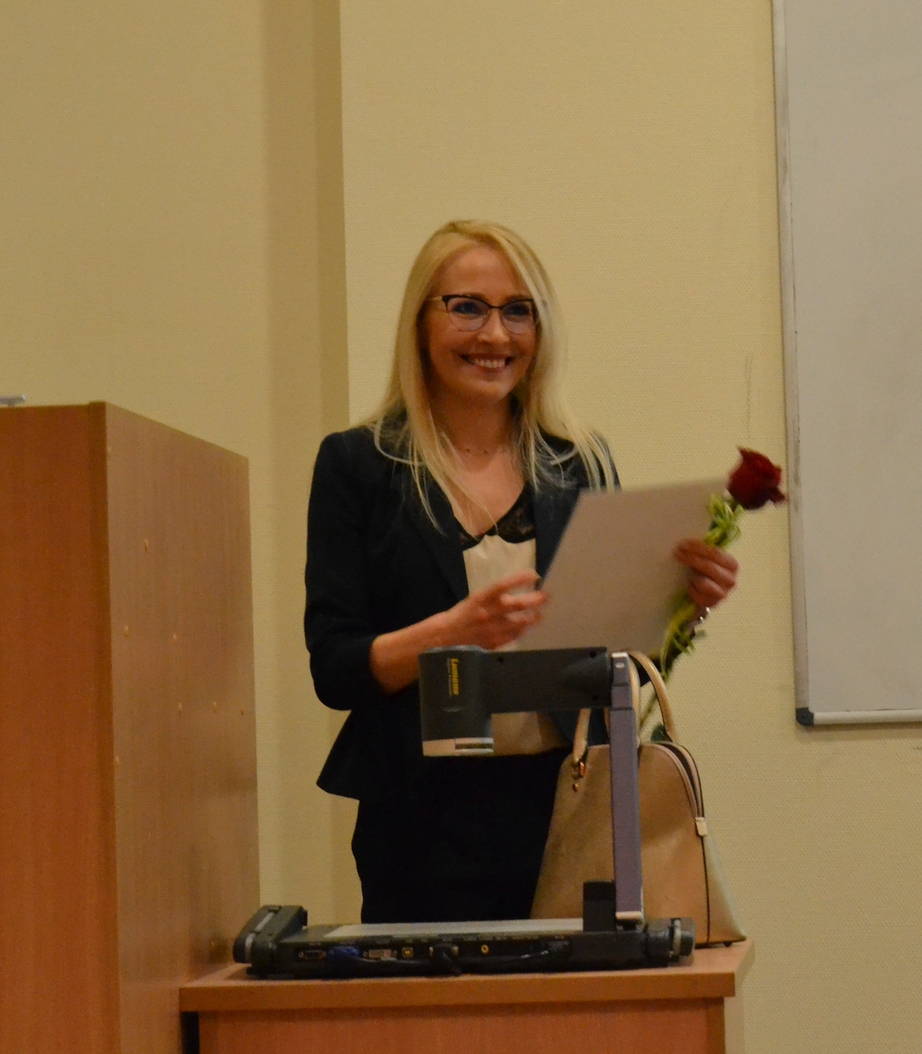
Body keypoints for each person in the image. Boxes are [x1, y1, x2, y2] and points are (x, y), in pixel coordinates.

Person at [305, 220, 738, 922]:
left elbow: (617, 664)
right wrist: (451, 631)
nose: (494, 335)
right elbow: (335, 669)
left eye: (518, 311)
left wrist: (680, 605)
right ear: (420, 323)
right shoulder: (359, 465)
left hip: (570, 803)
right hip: (419, 822)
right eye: (467, 308)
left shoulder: (580, 462)